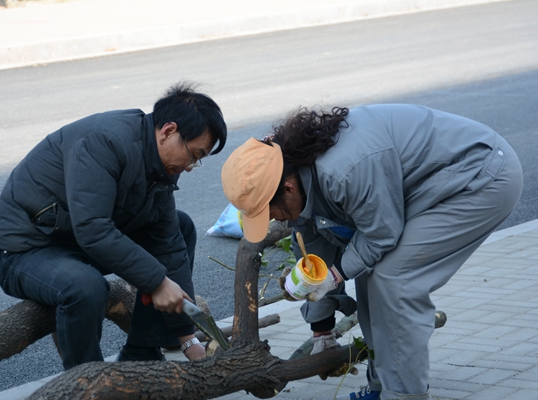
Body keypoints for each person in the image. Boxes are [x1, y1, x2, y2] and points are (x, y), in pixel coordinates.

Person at [221, 104, 522, 400]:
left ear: (287, 187)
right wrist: (321, 330)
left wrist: (337, 275)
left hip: (481, 176)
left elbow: (380, 235)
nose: (274, 219)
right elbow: (317, 257)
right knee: (370, 272)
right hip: (435, 186)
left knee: (395, 281)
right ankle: (381, 388)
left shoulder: (344, 170)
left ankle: (405, 395)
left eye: (271, 211)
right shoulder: (298, 174)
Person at [0, 82, 227, 369]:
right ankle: (89, 382)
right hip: (26, 249)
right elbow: (94, 229)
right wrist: (158, 282)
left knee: (181, 228)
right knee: (85, 287)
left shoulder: (159, 163)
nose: (190, 166)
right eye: (194, 155)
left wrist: (189, 340)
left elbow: (167, 244)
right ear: (169, 131)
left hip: (74, 242)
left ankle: (141, 354)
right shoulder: (104, 141)